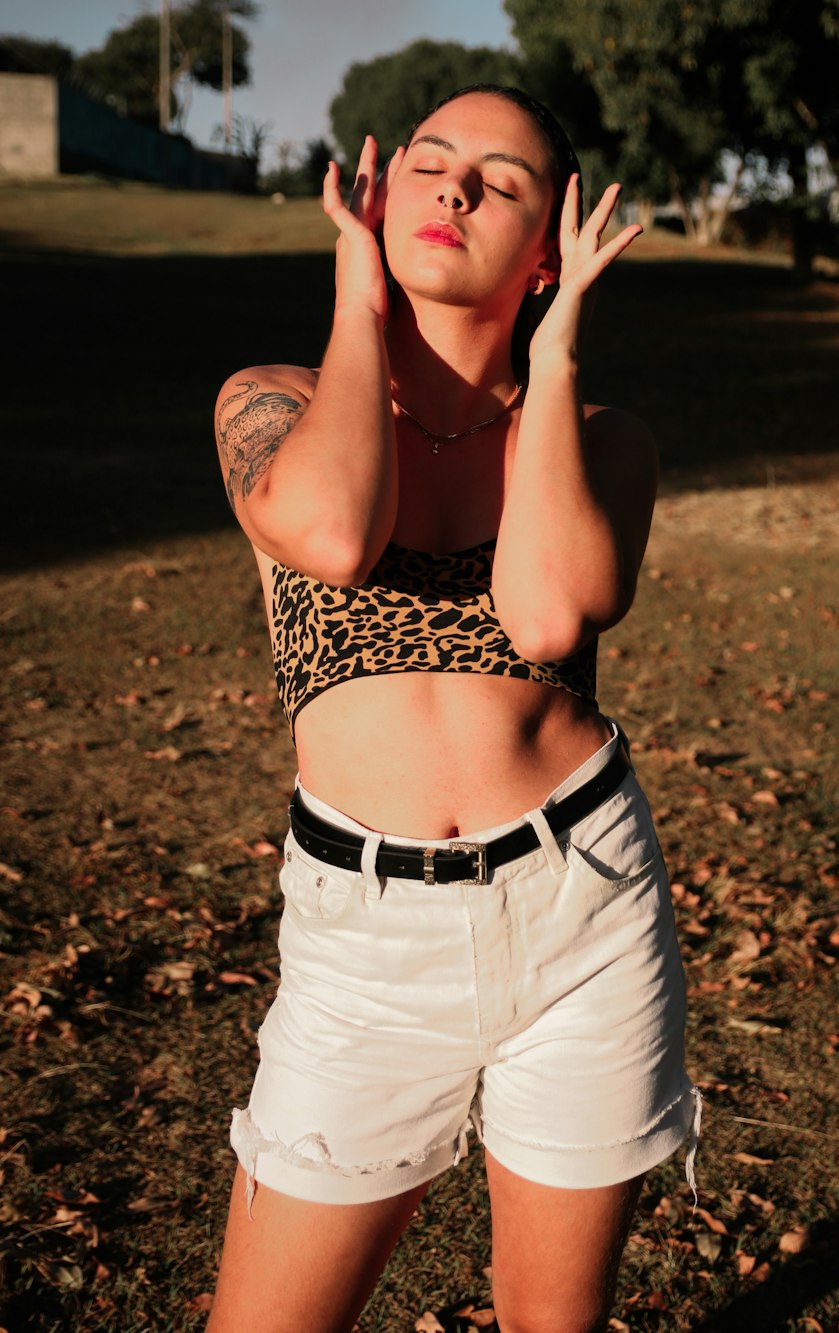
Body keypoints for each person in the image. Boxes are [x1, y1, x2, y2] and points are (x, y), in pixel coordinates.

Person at [207, 84, 700, 1333]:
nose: (455, 188)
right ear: (377, 199)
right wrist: (357, 301)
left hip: (580, 907)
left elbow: (546, 617)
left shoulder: (601, 438)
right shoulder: (266, 402)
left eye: (504, 178)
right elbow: (329, 530)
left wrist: (551, 354)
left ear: (549, 246)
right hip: (364, 941)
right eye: (429, 161)